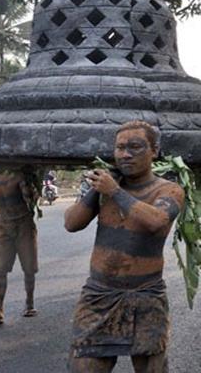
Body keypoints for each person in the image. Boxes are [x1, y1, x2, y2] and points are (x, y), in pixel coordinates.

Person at [64, 121, 184, 373]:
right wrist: (95, 189)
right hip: (98, 296)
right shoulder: (103, 189)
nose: (125, 154)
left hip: (146, 297)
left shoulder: (169, 190)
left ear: (154, 150)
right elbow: (71, 224)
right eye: (119, 148)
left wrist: (115, 190)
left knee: (152, 368)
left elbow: (156, 221)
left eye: (135, 147)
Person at [0, 168, 39, 324]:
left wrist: (28, 187)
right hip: (4, 225)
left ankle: (29, 304)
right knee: (1, 269)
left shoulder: (18, 175)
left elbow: (31, 200)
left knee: (28, 266)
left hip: (23, 223)